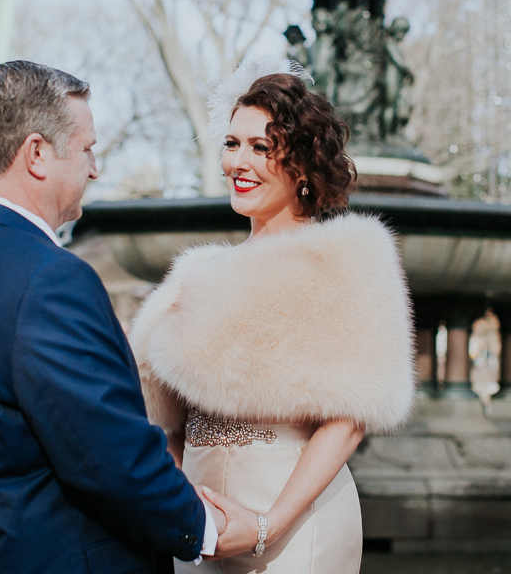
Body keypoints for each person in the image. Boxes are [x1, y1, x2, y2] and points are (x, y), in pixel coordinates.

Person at [0, 61, 224, 573]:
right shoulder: (51, 279)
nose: (94, 168)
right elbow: (110, 457)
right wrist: (207, 527)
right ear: (37, 154)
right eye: (87, 148)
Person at [131, 63, 415, 574]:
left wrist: (268, 525)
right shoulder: (195, 274)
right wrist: (183, 510)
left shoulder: (346, 259)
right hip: (198, 533)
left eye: (261, 148)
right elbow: (164, 422)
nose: (238, 162)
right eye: (232, 143)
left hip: (295, 530)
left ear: (304, 165)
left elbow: (349, 419)